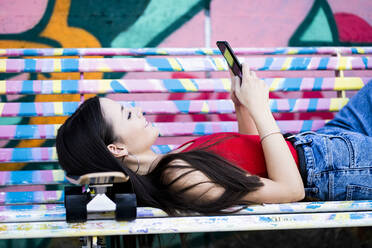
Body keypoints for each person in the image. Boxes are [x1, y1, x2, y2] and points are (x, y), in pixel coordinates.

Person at [56, 63, 372, 215]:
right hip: (338, 168)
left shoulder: (171, 161)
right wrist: (261, 110)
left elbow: (257, 163)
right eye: (127, 114)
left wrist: (243, 109)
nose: (137, 111)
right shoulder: (180, 177)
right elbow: (290, 189)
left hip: (326, 144)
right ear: (117, 148)